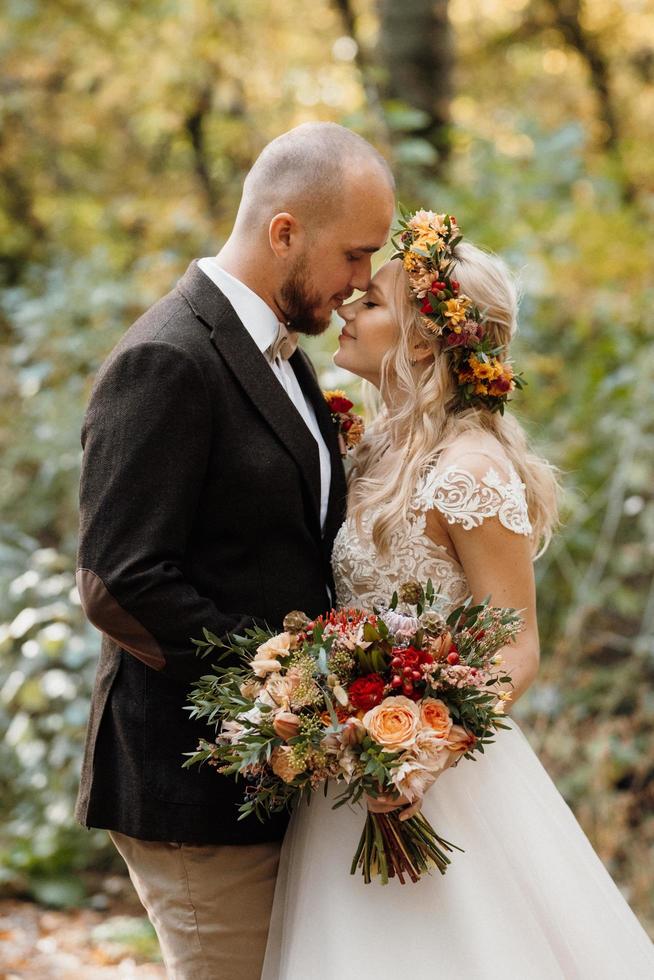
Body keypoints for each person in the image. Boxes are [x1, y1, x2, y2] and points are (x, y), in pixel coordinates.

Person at [262, 210, 654, 979]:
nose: (345, 306)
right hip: (346, 775)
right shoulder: (369, 449)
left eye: (370, 302)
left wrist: (421, 755)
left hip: (439, 783)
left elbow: (518, 645)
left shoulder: (469, 471)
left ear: (421, 339)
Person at [74, 122, 395, 980]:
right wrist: (282, 675)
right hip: (192, 786)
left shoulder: (285, 356)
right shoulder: (165, 359)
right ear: (284, 231)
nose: (363, 283)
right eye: (356, 256)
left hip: (271, 786)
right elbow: (118, 581)